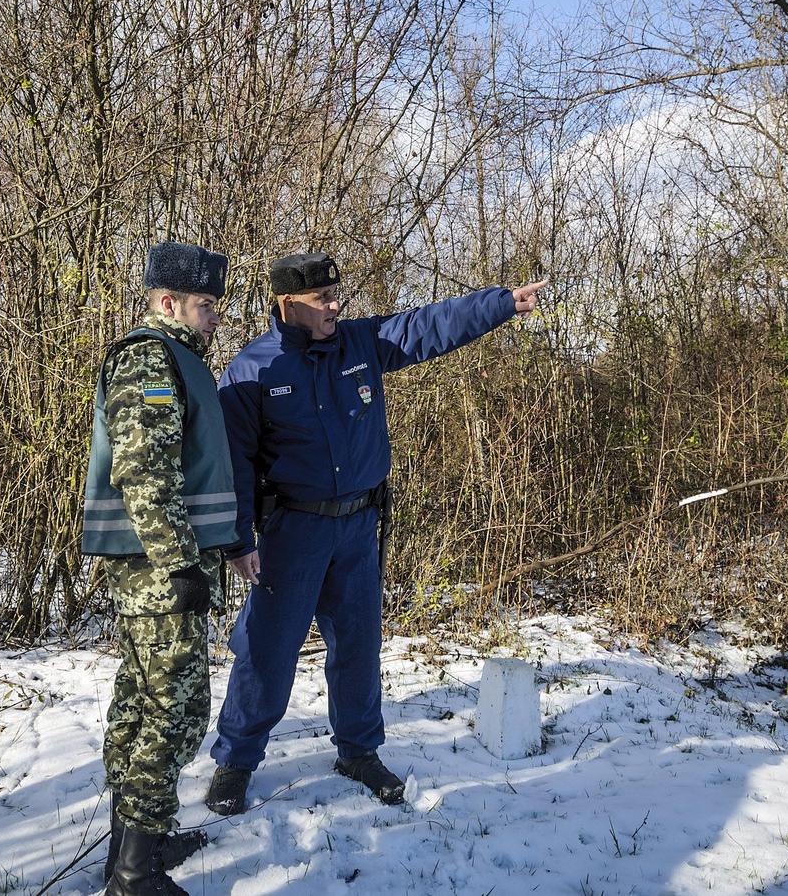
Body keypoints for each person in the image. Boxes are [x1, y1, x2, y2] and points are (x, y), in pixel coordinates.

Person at [204, 252, 544, 814]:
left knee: (358, 646)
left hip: (359, 526)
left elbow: (430, 326)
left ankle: (359, 750)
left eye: (339, 295)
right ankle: (236, 760)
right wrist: (239, 541)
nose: (337, 306)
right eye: (323, 300)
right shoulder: (252, 372)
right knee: (268, 649)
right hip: (294, 530)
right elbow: (234, 465)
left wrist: (501, 304)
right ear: (289, 304)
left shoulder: (360, 343)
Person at [82, 241, 240, 895]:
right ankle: (135, 874)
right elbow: (143, 469)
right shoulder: (151, 357)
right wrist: (179, 564)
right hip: (159, 569)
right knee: (172, 713)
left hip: (163, 565)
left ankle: (133, 845)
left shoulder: (180, 361)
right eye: (206, 306)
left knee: (140, 706)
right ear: (168, 302)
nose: (215, 319)